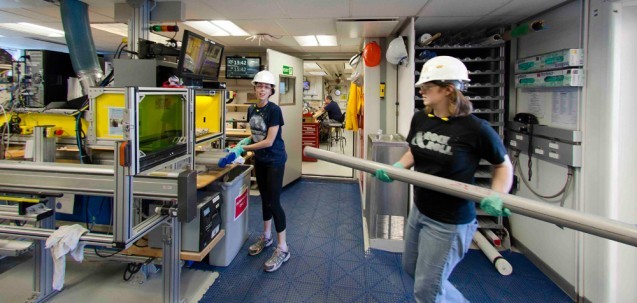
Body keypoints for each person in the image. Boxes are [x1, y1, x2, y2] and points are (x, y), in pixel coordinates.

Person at [374, 56, 513, 302]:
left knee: (427, 290)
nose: (422, 91)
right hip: (421, 210)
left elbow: (502, 165)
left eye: (427, 86)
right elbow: (413, 151)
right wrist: (397, 167)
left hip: (450, 221)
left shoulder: (475, 129)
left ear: (448, 89)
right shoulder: (421, 118)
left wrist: (497, 194)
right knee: (412, 269)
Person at [229, 70, 289, 272]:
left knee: (274, 202)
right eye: (259, 86)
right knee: (264, 199)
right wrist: (244, 142)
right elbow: (254, 135)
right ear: (254, 88)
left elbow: (269, 141)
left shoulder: (274, 110)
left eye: (266, 86)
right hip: (261, 159)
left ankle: (283, 248)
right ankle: (267, 237)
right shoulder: (251, 110)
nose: (262, 89)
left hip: (274, 160)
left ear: (271, 90)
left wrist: (243, 149)